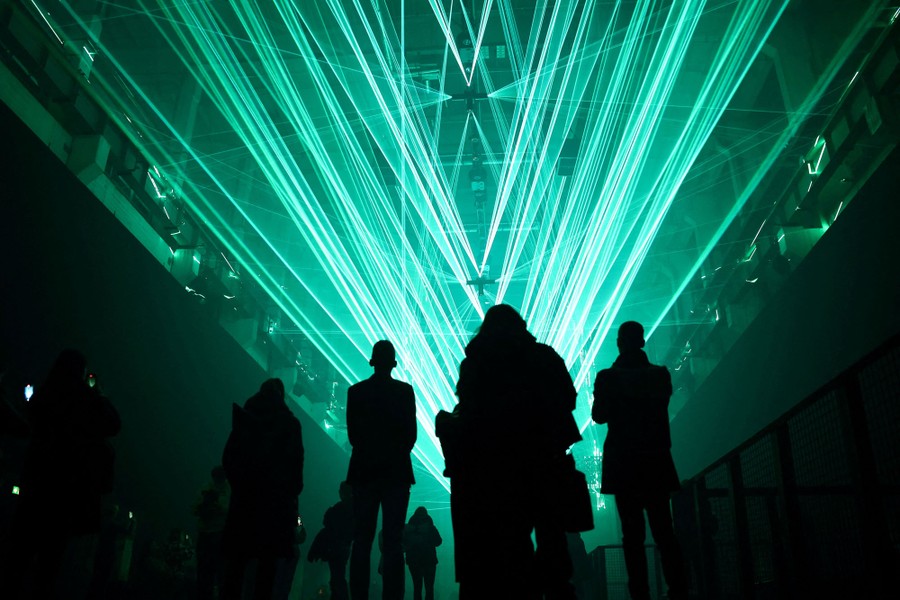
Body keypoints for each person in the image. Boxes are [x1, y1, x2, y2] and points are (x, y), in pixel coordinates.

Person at [435, 304, 584, 600]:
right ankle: (557, 591)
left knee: (512, 541)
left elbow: (469, 408)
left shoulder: (476, 363)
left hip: (497, 469)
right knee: (552, 537)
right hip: (545, 461)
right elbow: (569, 399)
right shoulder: (545, 357)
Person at [1, 349, 121, 598]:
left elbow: (27, 424)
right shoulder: (86, 400)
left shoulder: (44, 396)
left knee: (18, 555)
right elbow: (113, 424)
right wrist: (98, 392)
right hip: (65, 492)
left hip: (35, 484)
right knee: (50, 563)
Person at [592, 321, 687, 600]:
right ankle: (678, 589)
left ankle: (640, 594)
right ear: (642, 342)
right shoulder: (659, 375)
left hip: (623, 463)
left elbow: (599, 416)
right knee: (664, 531)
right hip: (655, 459)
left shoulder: (607, 377)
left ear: (620, 343)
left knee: (632, 536)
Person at [222, 378, 304, 600]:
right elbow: (296, 475)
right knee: (267, 571)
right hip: (274, 509)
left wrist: (241, 486)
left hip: (244, 504)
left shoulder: (244, 418)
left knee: (235, 567)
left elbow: (228, 460)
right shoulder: (290, 424)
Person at [346, 340, 416, 600]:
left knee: (362, 539)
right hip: (396, 473)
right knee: (393, 541)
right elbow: (411, 435)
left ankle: (359, 596)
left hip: (364, 472)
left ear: (372, 361)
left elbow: (353, 436)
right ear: (393, 363)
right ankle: (393, 596)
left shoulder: (356, 392)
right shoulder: (405, 392)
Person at [194, 465, 230, 600]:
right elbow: (194, 509)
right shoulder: (206, 488)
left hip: (219, 536)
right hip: (207, 535)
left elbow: (229, 510)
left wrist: (216, 503)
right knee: (204, 574)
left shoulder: (228, 489)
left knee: (220, 573)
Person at [402, 507, 442, 600]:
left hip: (414, 562)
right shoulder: (430, 527)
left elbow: (403, 545)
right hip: (429, 562)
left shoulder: (409, 529)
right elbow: (438, 542)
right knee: (429, 589)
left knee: (417, 588)